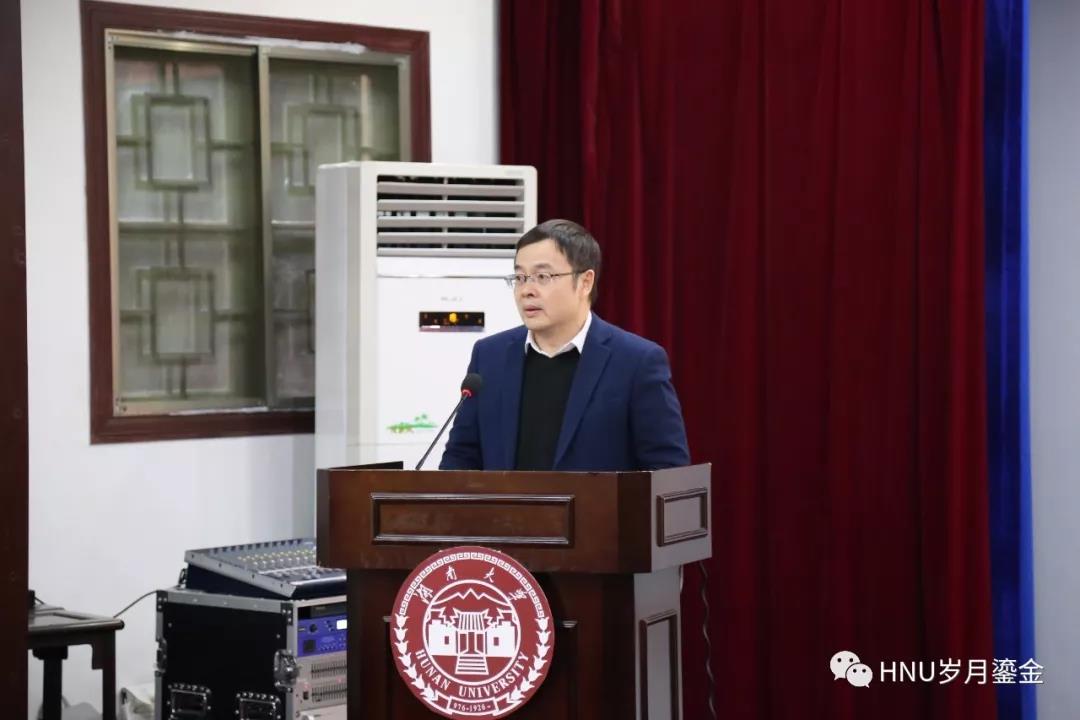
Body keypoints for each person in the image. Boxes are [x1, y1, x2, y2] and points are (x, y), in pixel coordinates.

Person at [439, 219, 689, 472]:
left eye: (542, 276)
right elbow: (460, 458)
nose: (526, 290)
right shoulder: (489, 356)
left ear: (585, 282)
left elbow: (667, 472)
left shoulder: (636, 362)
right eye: (520, 277)